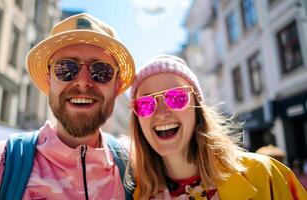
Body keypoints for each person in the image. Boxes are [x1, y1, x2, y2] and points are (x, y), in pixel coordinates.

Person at [0, 13, 135, 199]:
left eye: (101, 71)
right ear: (49, 82)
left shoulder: (135, 171)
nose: (83, 82)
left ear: (116, 86)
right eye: (65, 69)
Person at [127, 55, 307, 199]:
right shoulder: (134, 196)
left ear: (197, 108)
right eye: (145, 104)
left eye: (176, 97)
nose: (161, 112)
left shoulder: (267, 176)